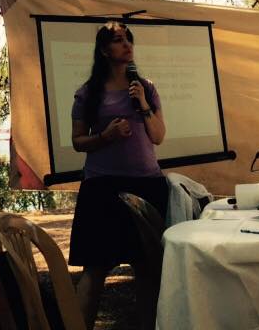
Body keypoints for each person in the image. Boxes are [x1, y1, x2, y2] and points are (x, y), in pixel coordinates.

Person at [69, 21, 167, 330]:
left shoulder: (146, 88)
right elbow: (77, 142)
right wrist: (106, 136)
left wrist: (143, 104)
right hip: (103, 189)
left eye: (128, 39)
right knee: (95, 269)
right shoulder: (88, 94)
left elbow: (158, 136)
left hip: (147, 186)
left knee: (147, 269)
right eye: (118, 40)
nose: (127, 45)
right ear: (103, 50)